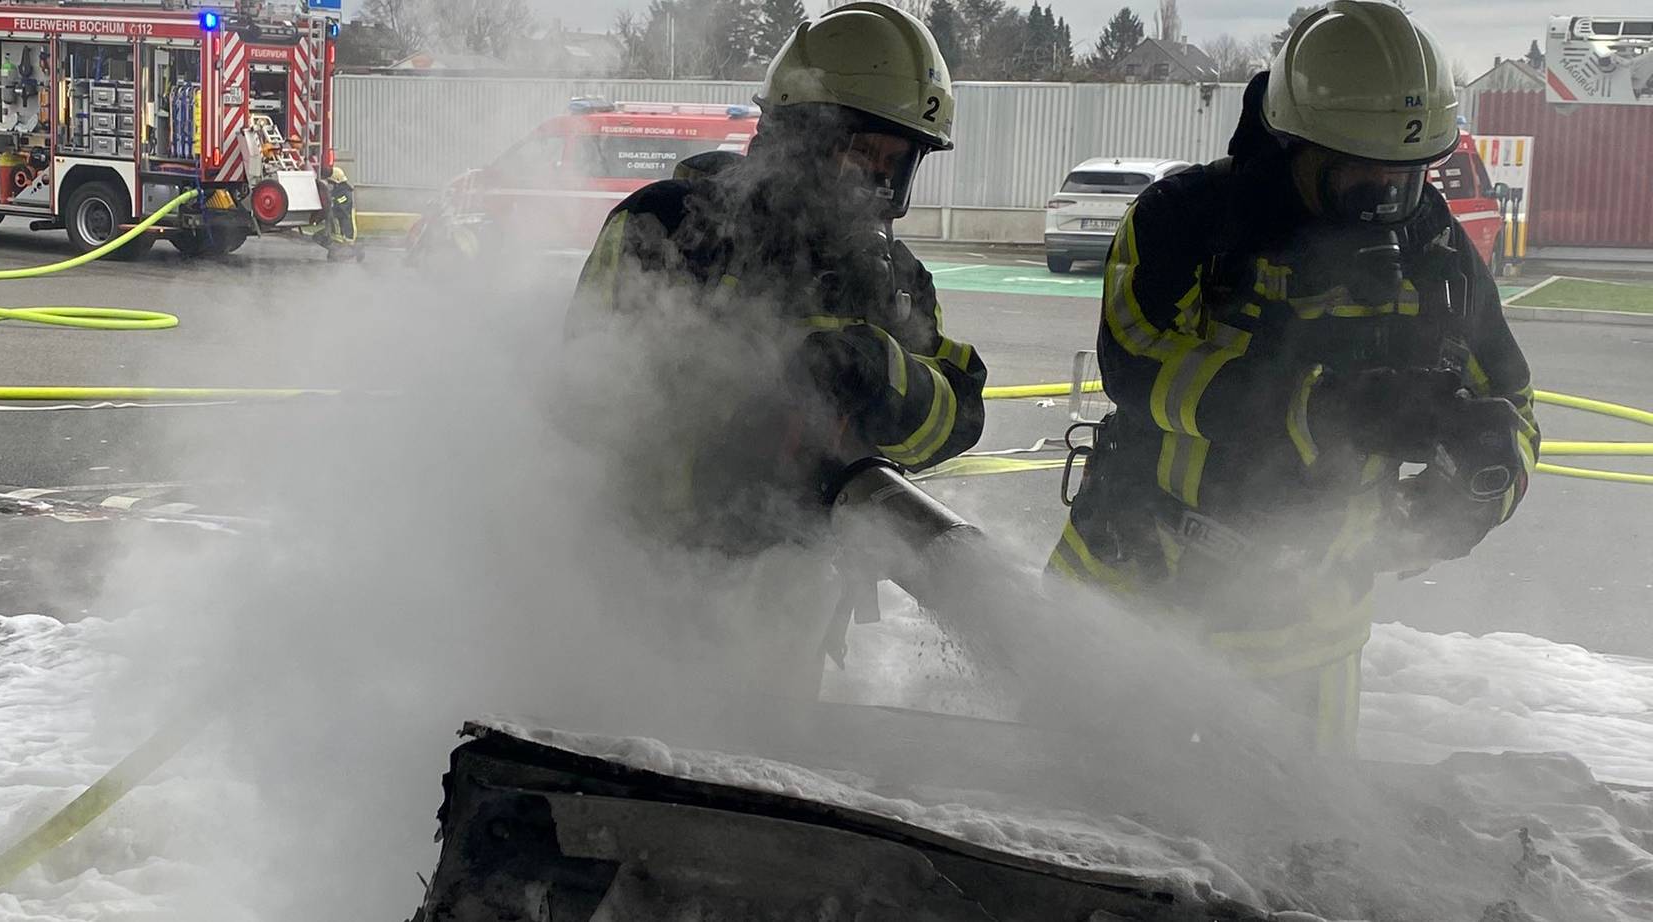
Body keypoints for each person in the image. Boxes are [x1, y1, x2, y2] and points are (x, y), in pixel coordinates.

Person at [1049, 0, 1539, 755]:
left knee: (1293, 856)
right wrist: (1320, 409)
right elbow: (1139, 362)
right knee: (1087, 840)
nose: (1386, 199)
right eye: (1360, 175)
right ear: (1293, 147)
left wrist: (1479, 481)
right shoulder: (1188, 223)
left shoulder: (1436, 249)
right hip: (1134, 592)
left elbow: (1513, 402)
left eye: (1406, 177)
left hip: (1309, 641)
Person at [565, 2, 988, 695]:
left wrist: (882, 375)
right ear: (799, 135)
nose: (876, 182)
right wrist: (745, 401)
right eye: (861, 154)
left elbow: (956, 417)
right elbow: (585, 400)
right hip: (638, 591)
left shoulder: (895, 283)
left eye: (895, 163)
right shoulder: (669, 226)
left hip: (790, 613)